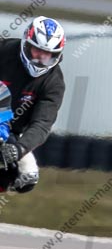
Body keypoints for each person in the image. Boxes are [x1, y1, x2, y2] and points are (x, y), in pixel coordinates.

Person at [0, 16, 66, 193]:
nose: (41, 58)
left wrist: (19, 148)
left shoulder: (54, 83)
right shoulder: (4, 51)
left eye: (48, 55)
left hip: (9, 133)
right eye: (37, 51)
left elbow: (42, 124)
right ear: (26, 44)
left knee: (26, 177)